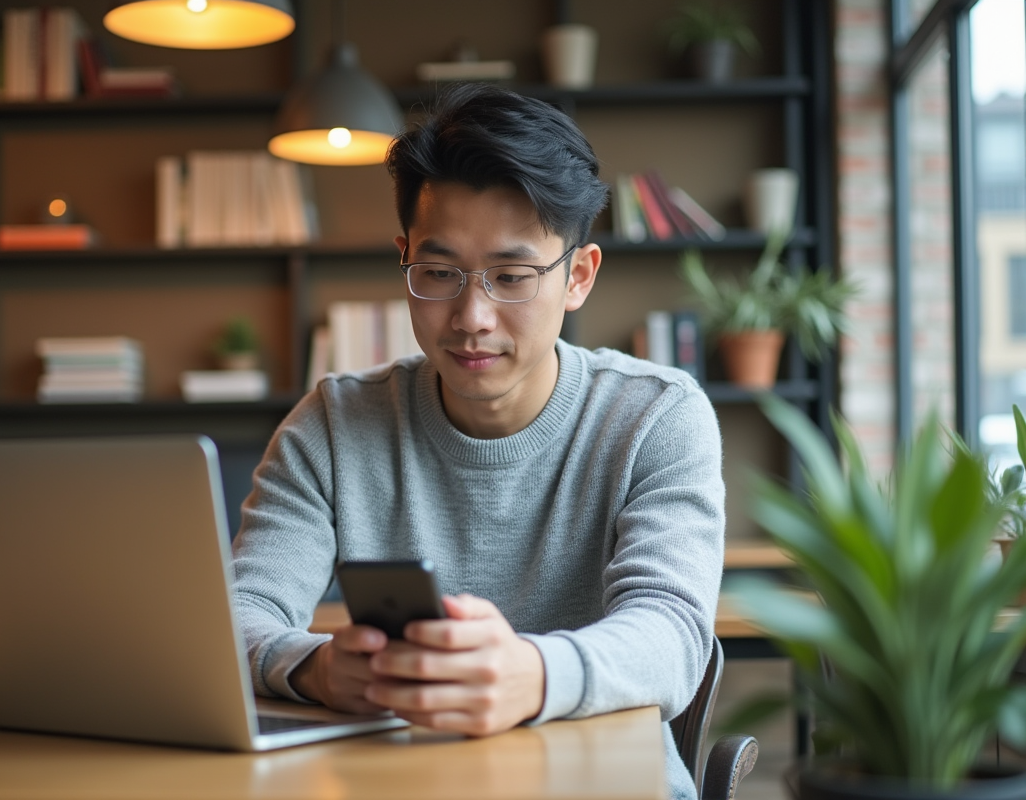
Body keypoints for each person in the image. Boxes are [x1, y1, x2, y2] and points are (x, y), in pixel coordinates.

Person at [231, 83, 724, 800]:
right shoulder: (333, 425)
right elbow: (239, 615)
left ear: (578, 277)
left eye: (511, 276)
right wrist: (313, 668)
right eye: (439, 273)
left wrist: (534, 675)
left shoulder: (656, 416)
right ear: (404, 259)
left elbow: (673, 635)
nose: (472, 316)